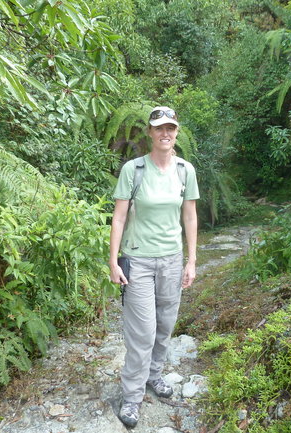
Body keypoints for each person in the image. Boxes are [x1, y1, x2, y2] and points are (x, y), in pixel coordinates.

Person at [109, 106, 199, 428]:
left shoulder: (185, 170)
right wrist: (113, 261)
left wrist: (191, 260)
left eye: (170, 128)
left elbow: (189, 216)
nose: (165, 133)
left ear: (176, 132)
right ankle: (132, 397)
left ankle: (155, 376)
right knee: (142, 332)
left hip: (173, 260)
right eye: (159, 128)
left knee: (165, 325)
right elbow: (118, 218)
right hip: (139, 261)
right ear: (149, 132)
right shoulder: (133, 170)